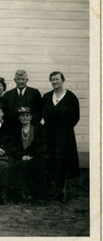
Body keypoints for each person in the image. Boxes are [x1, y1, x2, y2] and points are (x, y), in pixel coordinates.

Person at [42, 71, 80, 202]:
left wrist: (65, 128)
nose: (55, 82)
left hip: (65, 136)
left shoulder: (70, 97)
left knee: (64, 162)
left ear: (62, 80)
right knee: (53, 161)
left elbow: (76, 117)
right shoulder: (47, 97)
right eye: (52, 80)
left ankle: (63, 191)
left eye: (57, 79)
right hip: (50, 135)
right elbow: (44, 114)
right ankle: (56, 190)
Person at [13, 107, 48, 203]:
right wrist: (22, 156)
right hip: (21, 156)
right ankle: (22, 194)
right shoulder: (15, 130)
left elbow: (42, 145)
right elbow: (13, 146)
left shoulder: (38, 128)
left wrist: (31, 155)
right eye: (22, 116)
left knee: (38, 165)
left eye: (27, 115)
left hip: (35, 155)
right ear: (19, 118)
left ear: (31, 117)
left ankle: (38, 195)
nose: (24, 118)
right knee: (18, 165)